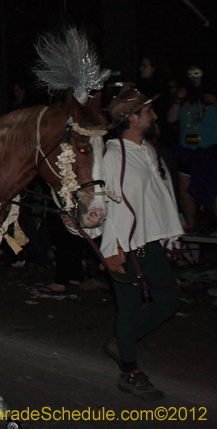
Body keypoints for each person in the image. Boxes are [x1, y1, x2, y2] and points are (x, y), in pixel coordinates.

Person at [82, 86, 182, 401]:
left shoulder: (148, 150)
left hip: (150, 242)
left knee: (168, 302)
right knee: (128, 308)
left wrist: (169, 235)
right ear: (133, 119)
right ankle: (129, 371)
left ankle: (122, 341)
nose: (155, 116)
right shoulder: (112, 156)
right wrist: (110, 246)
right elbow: (99, 206)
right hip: (124, 247)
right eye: (149, 111)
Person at [166, 65, 217, 232]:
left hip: (209, 151)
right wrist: (178, 99)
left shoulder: (213, 96)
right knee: (184, 189)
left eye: (197, 73)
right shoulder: (185, 97)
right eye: (190, 74)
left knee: (212, 190)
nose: (193, 77)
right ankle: (191, 224)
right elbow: (170, 118)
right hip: (187, 151)